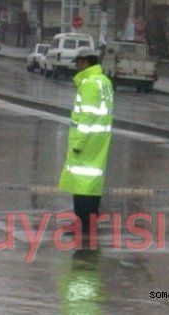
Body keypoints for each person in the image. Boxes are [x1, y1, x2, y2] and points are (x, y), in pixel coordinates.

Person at [58, 48, 114, 234]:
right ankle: (90, 222)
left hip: (86, 142)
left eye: (78, 62)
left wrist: (77, 143)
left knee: (81, 184)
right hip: (99, 141)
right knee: (93, 184)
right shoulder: (104, 81)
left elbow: (87, 116)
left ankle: (83, 225)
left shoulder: (90, 84)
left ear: (85, 62)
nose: (76, 66)